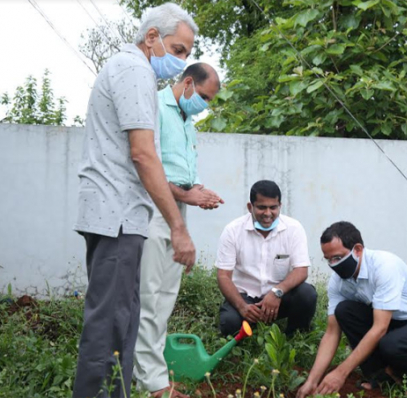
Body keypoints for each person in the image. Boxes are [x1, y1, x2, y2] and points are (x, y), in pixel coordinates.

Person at [72, 4, 198, 398]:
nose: (182, 62)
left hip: (122, 216)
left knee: (121, 323)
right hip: (117, 215)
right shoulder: (133, 70)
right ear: (151, 38)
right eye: (178, 50)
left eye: (186, 54)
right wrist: (178, 226)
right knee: (109, 325)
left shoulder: (138, 73)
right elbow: (143, 155)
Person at [133, 63, 223, 398]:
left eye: (209, 100)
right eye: (202, 96)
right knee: (149, 296)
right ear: (187, 82)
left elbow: (183, 170)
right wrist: (188, 195)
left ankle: (152, 378)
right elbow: (147, 165)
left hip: (177, 208)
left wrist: (200, 192)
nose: (204, 105)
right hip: (153, 207)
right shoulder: (154, 107)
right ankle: (154, 385)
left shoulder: (188, 121)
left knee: (165, 298)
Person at [297, 222, 407, 398]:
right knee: (344, 311)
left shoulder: (384, 266)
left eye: (338, 258)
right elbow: (332, 332)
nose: (333, 264)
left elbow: (380, 328)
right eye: (328, 259)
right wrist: (312, 381)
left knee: (392, 344)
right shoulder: (338, 282)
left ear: (358, 249)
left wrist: (341, 373)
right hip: (393, 322)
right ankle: (383, 375)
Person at [215, 180, 317, 337]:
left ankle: (294, 338)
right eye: (262, 207)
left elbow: (301, 270)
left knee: (307, 294)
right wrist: (242, 307)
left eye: (273, 207)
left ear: (280, 206)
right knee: (229, 323)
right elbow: (223, 276)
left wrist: (277, 292)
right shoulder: (233, 231)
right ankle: (247, 335)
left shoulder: (294, 228)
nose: (268, 213)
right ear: (250, 207)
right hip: (245, 298)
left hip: (279, 297)